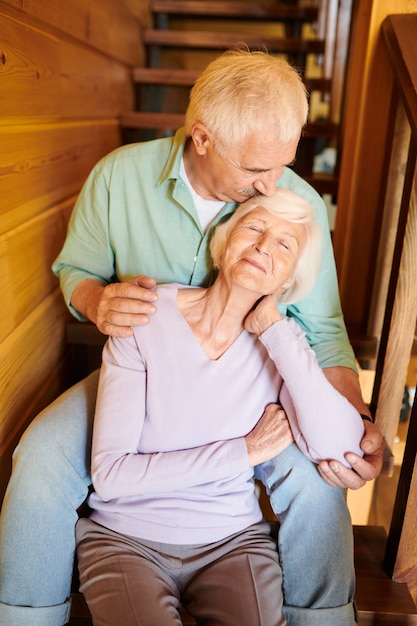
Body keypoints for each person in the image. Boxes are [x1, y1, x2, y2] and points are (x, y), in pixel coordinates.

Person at [0, 49, 383, 626]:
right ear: (201, 138)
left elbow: (325, 331)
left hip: (260, 388)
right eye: (256, 170)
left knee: (318, 482)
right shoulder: (120, 176)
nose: (273, 183)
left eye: (284, 163)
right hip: (141, 373)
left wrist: (352, 419)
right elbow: (75, 272)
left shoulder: (294, 204)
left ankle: (323, 618)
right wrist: (97, 300)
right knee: (40, 457)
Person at [76, 190, 365, 626]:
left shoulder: (282, 347)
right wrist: (244, 452)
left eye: (285, 245)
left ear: (290, 279)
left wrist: (275, 329)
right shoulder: (145, 318)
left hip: (232, 542)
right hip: (124, 537)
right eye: (254, 228)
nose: (264, 246)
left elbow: (340, 447)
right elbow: (112, 475)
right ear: (224, 241)